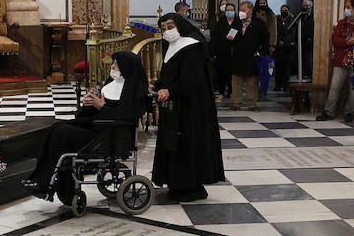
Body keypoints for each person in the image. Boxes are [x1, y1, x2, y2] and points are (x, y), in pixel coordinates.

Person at [24, 51, 147, 203]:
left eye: (116, 64)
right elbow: (94, 113)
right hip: (97, 131)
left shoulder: (135, 91)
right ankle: (46, 181)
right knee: (57, 128)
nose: (113, 66)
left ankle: (44, 183)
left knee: (63, 132)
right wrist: (89, 104)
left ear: (126, 68)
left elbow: (126, 117)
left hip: (111, 137)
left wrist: (102, 107)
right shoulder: (111, 84)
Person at [153, 13, 225, 201]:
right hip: (175, 105)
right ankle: (176, 184)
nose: (166, 31)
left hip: (191, 106)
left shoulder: (192, 45)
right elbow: (171, 74)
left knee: (188, 144)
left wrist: (172, 90)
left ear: (180, 25)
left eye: (170, 26)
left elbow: (191, 78)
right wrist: (159, 84)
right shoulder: (170, 45)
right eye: (163, 28)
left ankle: (191, 187)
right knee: (173, 142)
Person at [319, 0, 354, 125]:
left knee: (353, 87)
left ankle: (350, 112)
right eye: (346, 7)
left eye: (349, 7)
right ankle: (328, 112)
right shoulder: (342, 23)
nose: (346, 9)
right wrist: (346, 42)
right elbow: (335, 39)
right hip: (341, 59)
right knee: (334, 86)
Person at [228, 1, 270, 112]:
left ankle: (252, 104)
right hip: (238, 57)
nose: (240, 12)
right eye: (240, 10)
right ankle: (236, 103)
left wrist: (261, 52)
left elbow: (265, 40)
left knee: (252, 82)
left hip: (252, 57)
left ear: (250, 11)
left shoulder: (259, 24)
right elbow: (231, 37)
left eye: (243, 10)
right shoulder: (236, 23)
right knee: (236, 81)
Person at [210, 0, 235, 100]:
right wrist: (213, 52)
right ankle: (221, 92)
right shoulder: (220, 22)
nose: (229, 12)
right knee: (221, 74)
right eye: (227, 10)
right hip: (221, 53)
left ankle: (231, 92)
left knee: (232, 75)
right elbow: (214, 37)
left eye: (231, 10)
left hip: (233, 53)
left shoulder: (237, 22)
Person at [253, 0, 277, 98]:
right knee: (254, 68)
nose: (263, 4)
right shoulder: (253, 13)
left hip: (265, 45)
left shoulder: (271, 15)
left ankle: (263, 89)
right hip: (254, 44)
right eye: (261, 3)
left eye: (264, 3)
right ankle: (255, 89)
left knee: (264, 68)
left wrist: (272, 45)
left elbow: (273, 31)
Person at [273, 3, 295, 92]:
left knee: (286, 69)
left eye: (285, 10)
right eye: (282, 10)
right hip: (278, 48)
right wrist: (278, 41)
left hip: (287, 48)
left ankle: (285, 85)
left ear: (288, 11)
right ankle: (278, 85)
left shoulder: (292, 20)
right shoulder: (277, 19)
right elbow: (275, 31)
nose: (284, 12)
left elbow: (292, 33)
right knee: (278, 68)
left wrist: (284, 42)